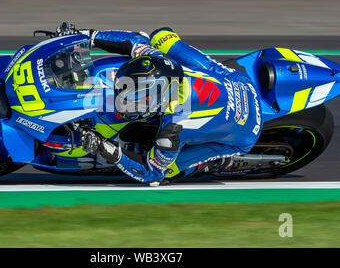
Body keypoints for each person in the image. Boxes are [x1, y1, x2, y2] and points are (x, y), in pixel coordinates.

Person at [58, 23, 263, 185]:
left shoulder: (173, 128)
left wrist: (104, 147)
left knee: (167, 173)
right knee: (161, 36)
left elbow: (151, 173)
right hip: (237, 80)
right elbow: (134, 41)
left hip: (244, 133)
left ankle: (216, 163)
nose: (125, 102)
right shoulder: (156, 62)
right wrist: (85, 36)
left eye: (135, 100)